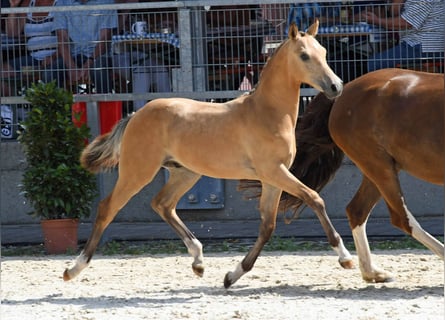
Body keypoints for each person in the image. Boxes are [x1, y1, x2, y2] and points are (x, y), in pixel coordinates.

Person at [43, 0, 118, 93]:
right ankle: (57, 107)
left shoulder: (107, 2)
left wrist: (90, 61)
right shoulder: (62, 3)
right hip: (72, 55)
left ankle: (105, 105)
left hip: (98, 56)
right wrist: (71, 66)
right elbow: (62, 39)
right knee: (50, 73)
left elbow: (105, 39)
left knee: (99, 70)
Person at [112, 0, 172, 111]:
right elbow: (113, 33)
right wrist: (125, 9)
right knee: (141, 72)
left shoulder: (136, 13)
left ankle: (167, 109)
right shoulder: (109, 9)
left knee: (160, 68)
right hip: (116, 56)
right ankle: (139, 113)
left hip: (138, 53)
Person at [362, 0, 444, 72]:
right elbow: (395, 16)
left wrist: (376, 20)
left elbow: (404, 23)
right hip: (419, 44)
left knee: (375, 62)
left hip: (424, 46)